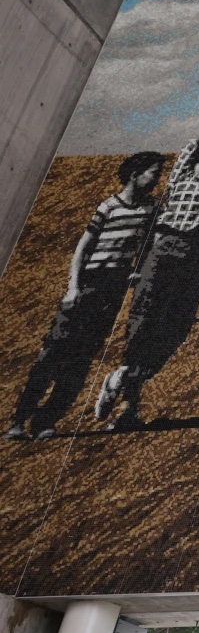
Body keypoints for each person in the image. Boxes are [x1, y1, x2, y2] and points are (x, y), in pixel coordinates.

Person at [6, 152, 164, 441]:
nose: (156, 179)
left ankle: (46, 419)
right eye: (153, 173)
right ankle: (18, 419)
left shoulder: (152, 209)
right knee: (51, 353)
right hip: (89, 284)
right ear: (135, 174)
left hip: (112, 291)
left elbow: (150, 244)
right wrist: (74, 287)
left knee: (82, 358)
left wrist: (135, 271)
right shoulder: (108, 207)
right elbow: (83, 248)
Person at [94, 139, 199, 430]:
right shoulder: (181, 179)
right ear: (195, 164)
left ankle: (122, 379)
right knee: (144, 321)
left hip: (195, 262)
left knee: (177, 327)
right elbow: (189, 148)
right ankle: (128, 407)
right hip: (163, 254)